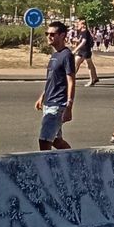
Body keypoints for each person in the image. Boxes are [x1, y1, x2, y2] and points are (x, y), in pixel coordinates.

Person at [36, 21, 75, 150]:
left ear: (62, 35)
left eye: (52, 34)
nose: (49, 36)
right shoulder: (55, 55)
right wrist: (42, 96)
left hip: (57, 104)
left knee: (44, 141)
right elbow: (52, 79)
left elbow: (71, 81)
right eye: (47, 33)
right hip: (49, 102)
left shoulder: (67, 55)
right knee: (56, 141)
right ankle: (75, 160)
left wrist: (69, 106)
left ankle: (45, 169)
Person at [73, 20, 99, 87]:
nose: (77, 25)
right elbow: (80, 40)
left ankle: (92, 81)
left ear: (82, 25)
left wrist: (75, 50)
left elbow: (83, 42)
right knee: (76, 64)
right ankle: (71, 78)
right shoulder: (81, 32)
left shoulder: (85, 32)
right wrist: (76, 40)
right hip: (81, 51)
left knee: (89, 66)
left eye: (78, 24)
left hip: (86, 51)